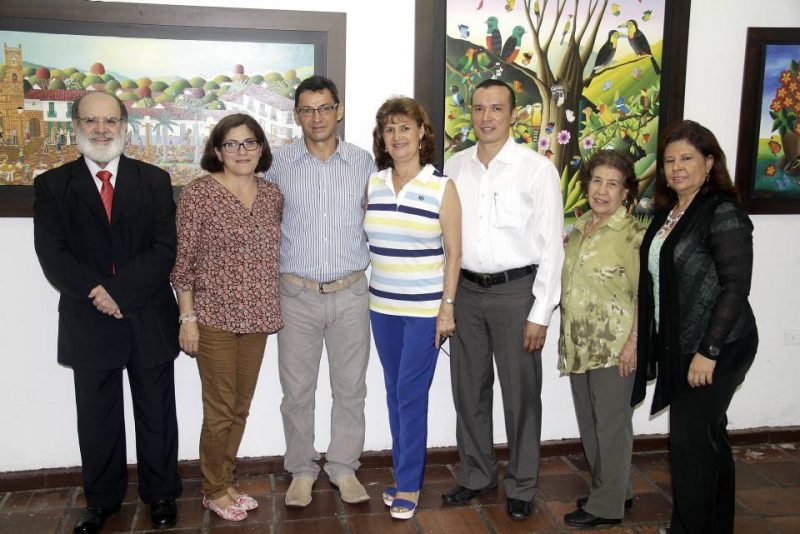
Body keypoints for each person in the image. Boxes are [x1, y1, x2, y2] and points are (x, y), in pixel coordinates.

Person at [33, 92, 181, 533]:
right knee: (97, 417)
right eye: (92, 120)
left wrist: (119, 292)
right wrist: (98, 293)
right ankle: (102, 500)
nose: (102, 129)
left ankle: (160, 496)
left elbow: (164, 249)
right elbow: (52, 254)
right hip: (87, 316)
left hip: (147, 315)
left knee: (156, 412)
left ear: (124, 125)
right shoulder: (53, 185)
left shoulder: (154, 180)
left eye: (110, 120)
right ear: (76, 125)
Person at [441, 79, 564, 521]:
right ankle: (476, 475)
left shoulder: (536, 169)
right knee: (468, 390)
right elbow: (445, 240)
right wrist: (448, 300)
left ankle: (522, 484)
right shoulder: (453, 168)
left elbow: (553, 246)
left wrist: (541, 312)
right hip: (467, 293)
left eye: (496, 108)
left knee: (521, 396)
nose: (486, 117)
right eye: (478, 108)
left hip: (517, 294)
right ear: (469, 114)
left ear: (513, 115)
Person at [633, 120, 758, 533]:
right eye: (669, 160)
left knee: (689, 446)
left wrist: (709, 351)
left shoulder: (722, 211)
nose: (676, 168)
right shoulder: (670, 212)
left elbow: (736, 287)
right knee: (709, 440)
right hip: (681, 343)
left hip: (718, 344)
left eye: (686, 158)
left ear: (709, 161)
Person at [266, 75, 376, 508]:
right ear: (297, 116)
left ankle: (345, 467)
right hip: (296, 294)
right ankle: (301, 469)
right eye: (308, 110)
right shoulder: (278, 165)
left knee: (351, 388)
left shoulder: (364, 163)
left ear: (339, 110)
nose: (317, 117)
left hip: (351, 292)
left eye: (325, 107)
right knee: (297, 391)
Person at [170, 114, 283, 521]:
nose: (241, 151)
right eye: (232, 144)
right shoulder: (198, 195)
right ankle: (213, 489)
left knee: (240, 406)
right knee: (219, 408)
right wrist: (188, 318)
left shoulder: (272, 195)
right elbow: (183, 262)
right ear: (217, 150)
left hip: (257, 315)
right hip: (213, 316)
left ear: (261, 149)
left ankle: (226, 479)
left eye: (249, 143)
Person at [365, 97, 462, 519]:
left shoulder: (442, 187)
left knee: (409, 394)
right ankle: (403, 474)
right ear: (381, 139)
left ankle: (409, 483)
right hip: (381, 308)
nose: (397, 136)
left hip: (425, 311)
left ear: (423, 133)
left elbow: (454, 255)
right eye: (389, 129)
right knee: (393, 392)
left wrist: (447, 308)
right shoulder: (373, 184)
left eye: (406, 127)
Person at [558, 150, 643, 528]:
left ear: (626, 192)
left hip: (614, 345)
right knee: (591, 423)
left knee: (611, 426)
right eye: (596, 181)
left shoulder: (632, 235)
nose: (602, 191)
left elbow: (645, 295)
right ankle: (614, 489)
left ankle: (606, 507)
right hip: (579, 342)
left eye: (613, 184)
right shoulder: (579, 229)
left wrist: (634, 342)